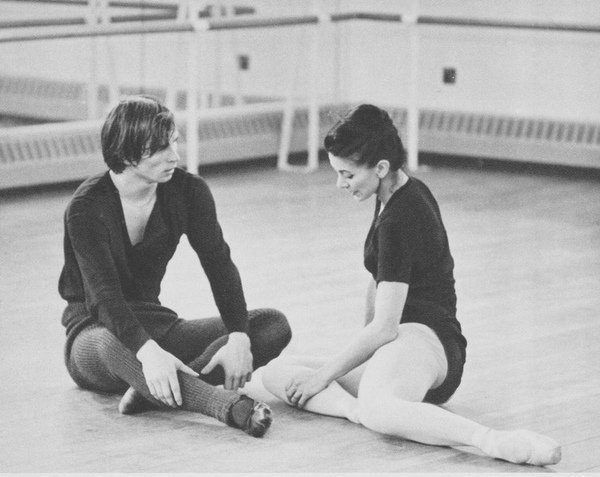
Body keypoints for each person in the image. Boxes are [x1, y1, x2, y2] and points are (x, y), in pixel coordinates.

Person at [261, 104, 561, 464]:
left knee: (367, 401)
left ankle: (491, 440)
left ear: (381, 167)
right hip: (399, 347)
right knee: (278, 372)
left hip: (429, 343)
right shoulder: (391, 192)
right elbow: (378, 285)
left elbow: (386, 328)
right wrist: (357, 362)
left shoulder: (402, 215)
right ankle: (361, 412)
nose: (340, 184)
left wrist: (324, 378)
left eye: (347, 175)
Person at [59, 95, 291, 437]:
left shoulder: (188, 191)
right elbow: (103, 299)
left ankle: (152, 391)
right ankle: (224, 405)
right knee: (114, 345)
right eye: (160, 149)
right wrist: (148, 352)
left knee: (272, 325)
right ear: (126, 153)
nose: (175, 156)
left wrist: (239, 336)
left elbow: (218, 264)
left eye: (174, 142)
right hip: (93, 334)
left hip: (157, 324)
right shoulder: (85, 208)